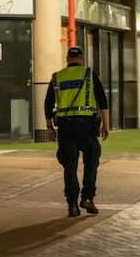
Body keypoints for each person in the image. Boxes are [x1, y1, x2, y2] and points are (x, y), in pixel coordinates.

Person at [44, 46, 110, 217]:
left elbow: (48, 103)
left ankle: (72, 205)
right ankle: (87, 197)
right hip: (87, 126)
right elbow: (102, 100)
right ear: (81, 59)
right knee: (91, 161)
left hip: (65, 127)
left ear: (67, 59)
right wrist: (106, 125)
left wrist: (49, 127)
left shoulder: (57, 77)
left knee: (69, 166)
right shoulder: (89, 74)